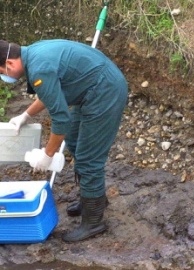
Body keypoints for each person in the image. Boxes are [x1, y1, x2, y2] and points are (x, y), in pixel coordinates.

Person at [0, 39, 128, 242]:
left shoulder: (38, 67)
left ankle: (93, 222)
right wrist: (25, 115)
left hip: (105, 91)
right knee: (76, 143)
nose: (3, 77)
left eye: (2, 72)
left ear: (10, 64)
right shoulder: (32, 54)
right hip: (92, 88)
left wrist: (47, 154)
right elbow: (51, 93)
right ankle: (95, 200)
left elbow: (61, 119)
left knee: (88, 160)